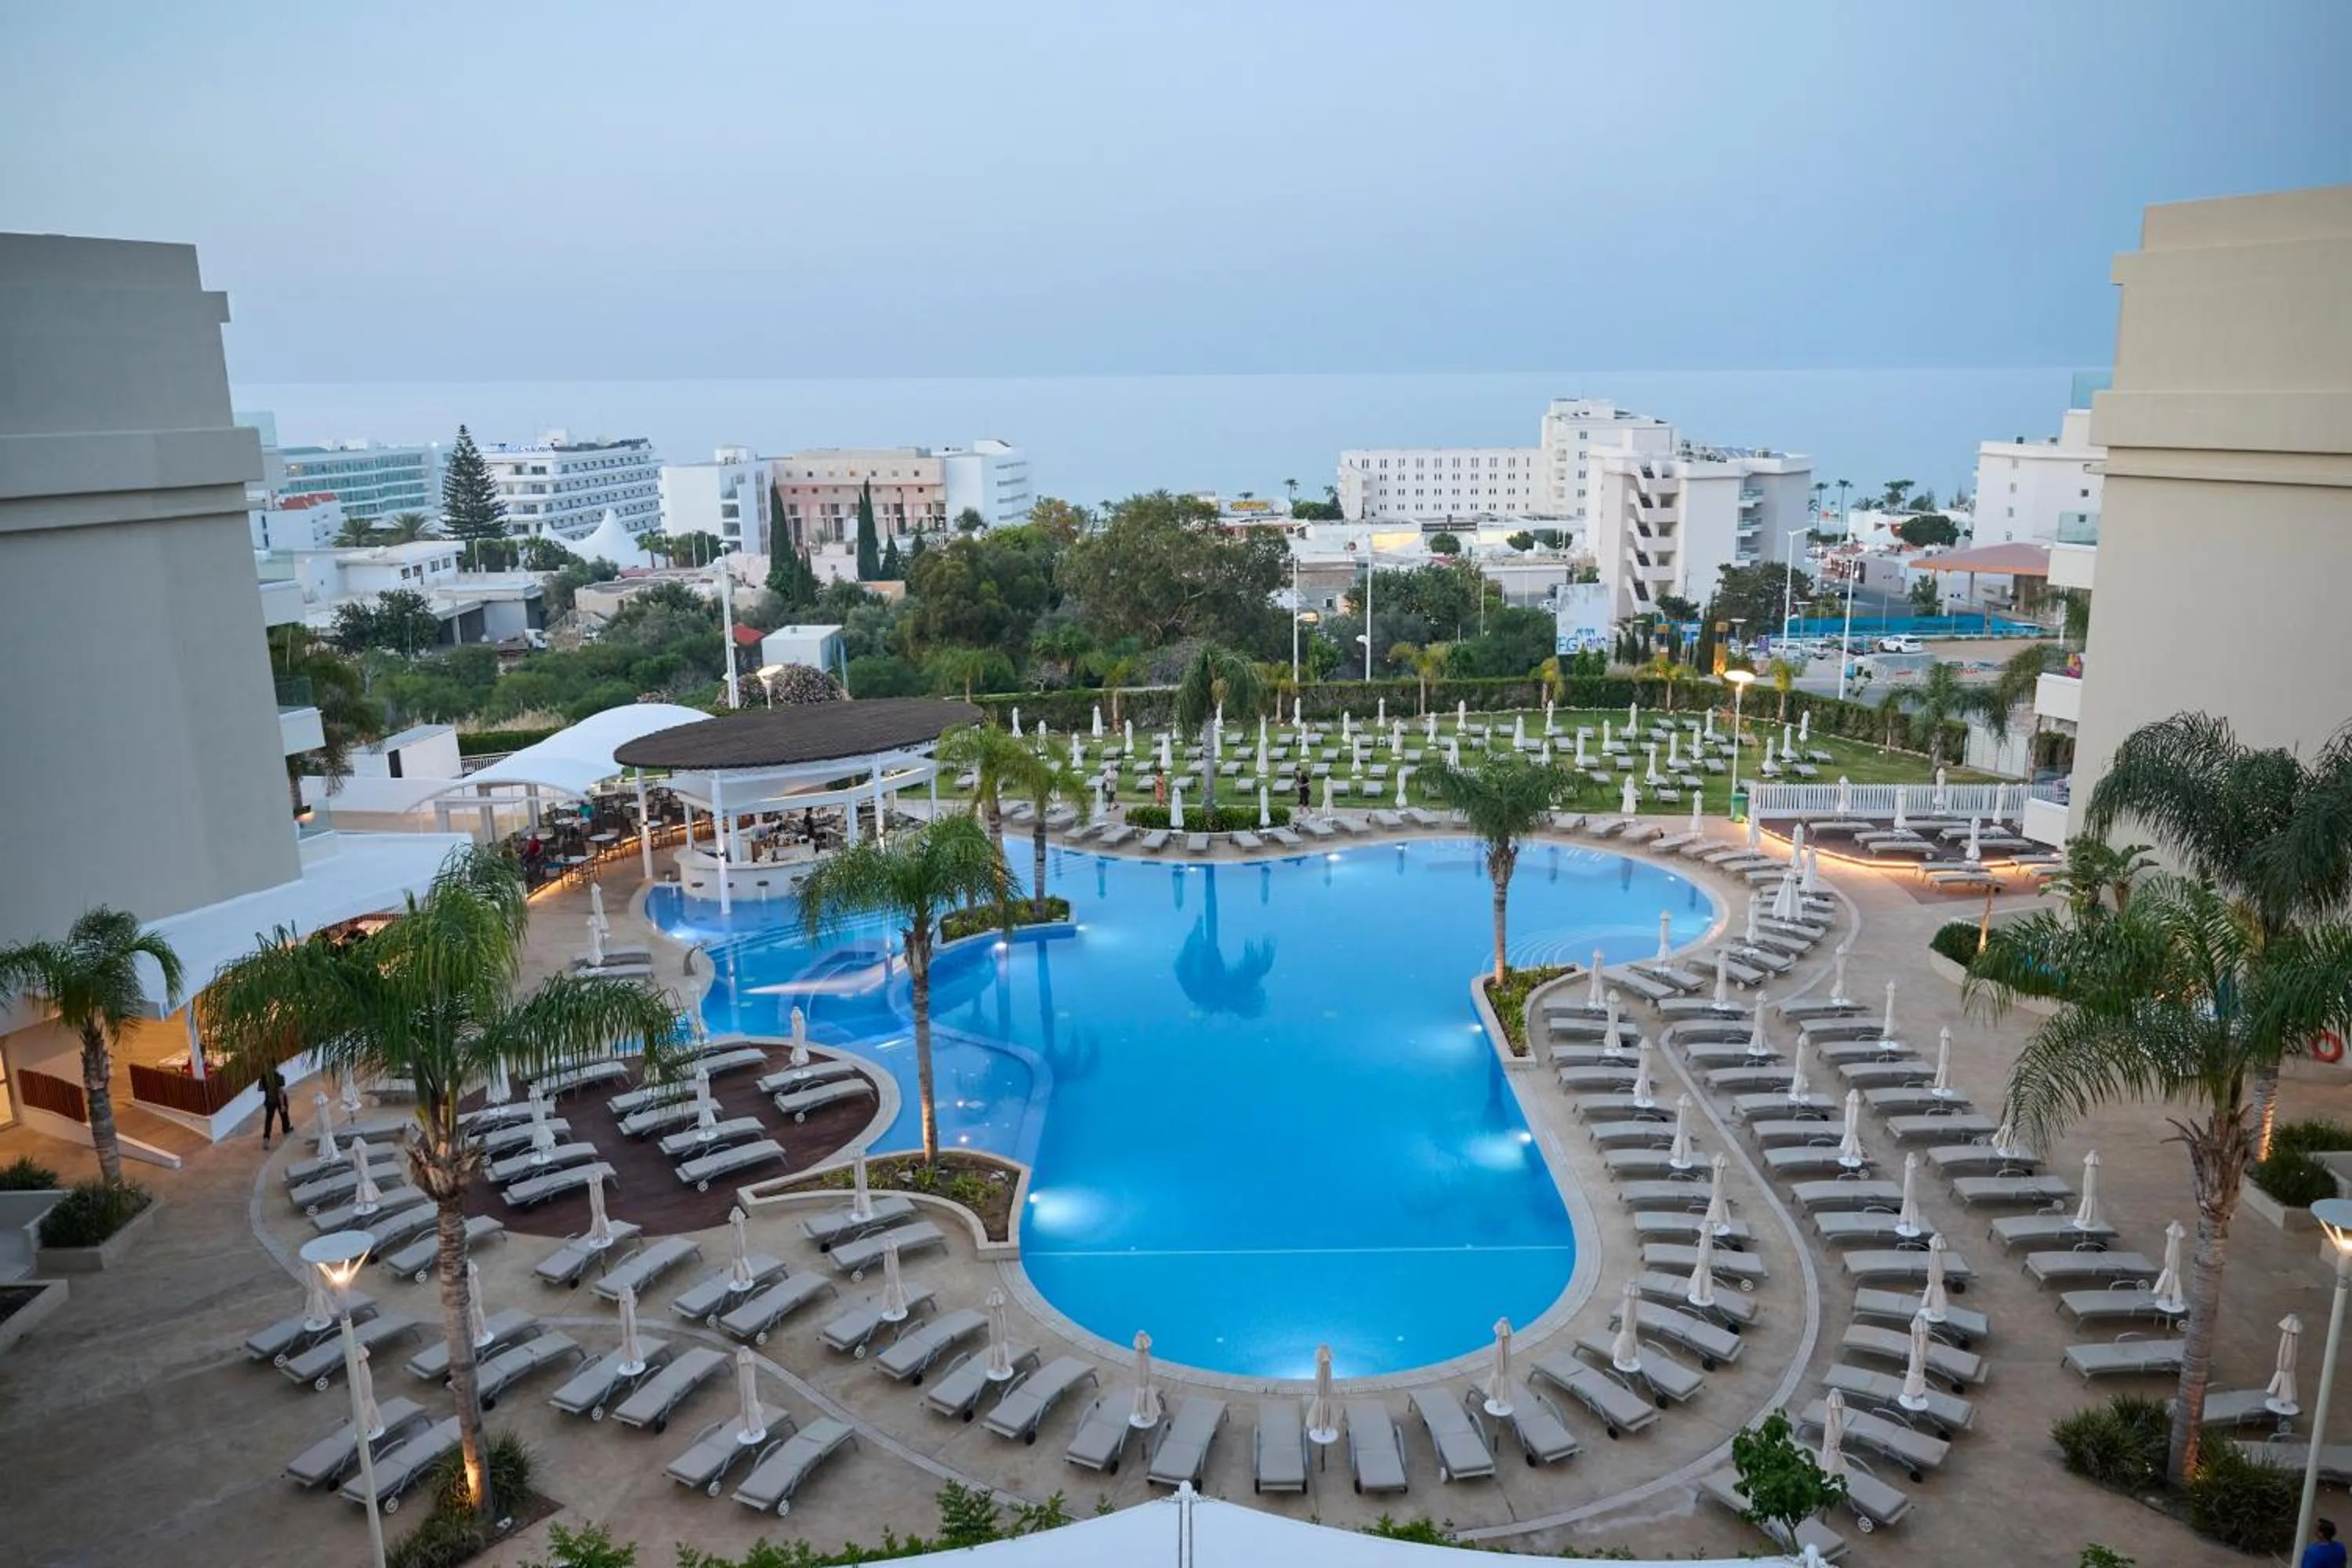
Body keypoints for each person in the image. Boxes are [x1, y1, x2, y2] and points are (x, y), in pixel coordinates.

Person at [257, 1065, 291, 1151]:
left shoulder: (264, 1077)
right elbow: (280, 1091)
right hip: (279, 1100)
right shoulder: (278, 1076)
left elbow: (260, 1089)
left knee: (269, 1120)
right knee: (284, 1115)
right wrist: (282, 1104)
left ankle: (266, 1139)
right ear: (275, 1067)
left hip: (269, 1101)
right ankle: (286, 1129)